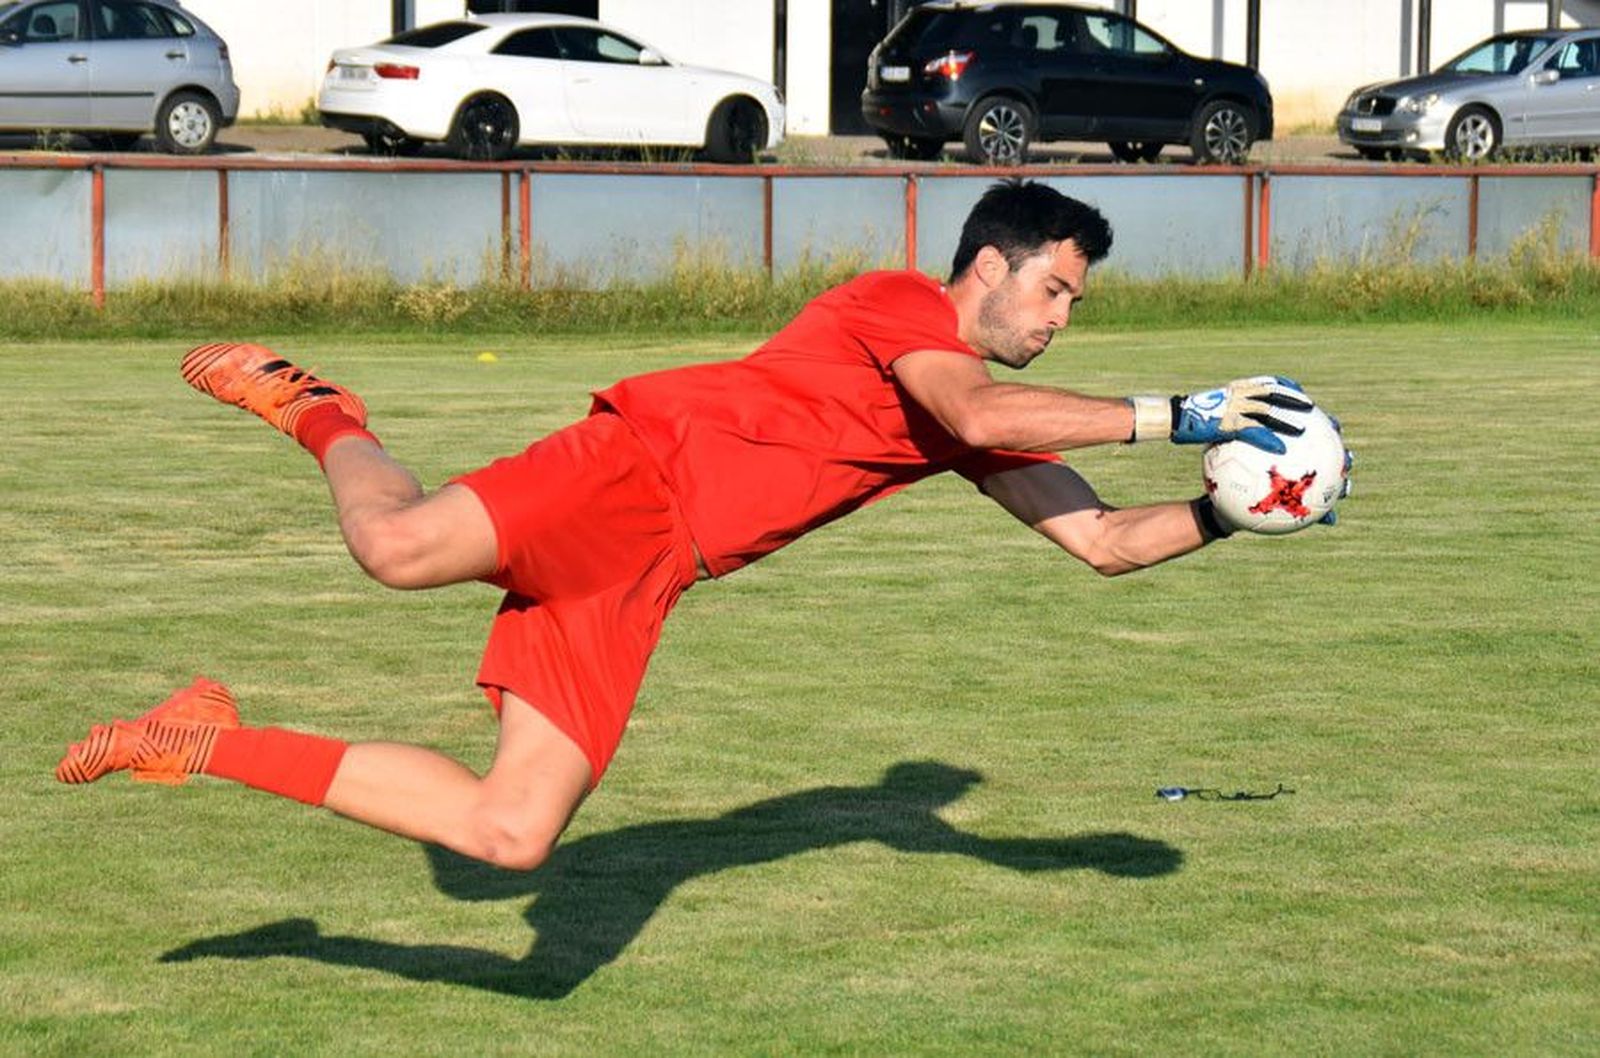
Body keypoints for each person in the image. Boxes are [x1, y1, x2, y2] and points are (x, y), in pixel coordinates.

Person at [56, 179, 1315, 872]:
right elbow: (976, 412)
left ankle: (202, 738)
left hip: (654, 571)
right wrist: (1178, 410)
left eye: (1072, 306)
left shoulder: (980, 411)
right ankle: (323, 412)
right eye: (1051, 289)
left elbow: (1098, 541)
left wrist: (1232, 508)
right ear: (984, 265)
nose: (1056, 318)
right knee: (396, 550)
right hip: (626, 472)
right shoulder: (896, 308)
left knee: (507, 834)